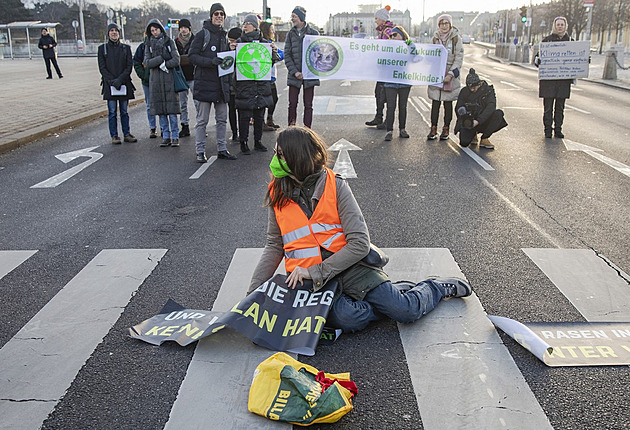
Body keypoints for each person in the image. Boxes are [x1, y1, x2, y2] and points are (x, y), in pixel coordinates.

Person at [247, 127, 473, 333]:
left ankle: (437, 288)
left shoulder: (336, 185)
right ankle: (390, 294)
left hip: (349, 265)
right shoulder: (277, 192)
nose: (274, 160)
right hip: (306, 276)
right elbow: (274, 246)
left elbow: (359, 243)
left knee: (405, 311)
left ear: (297, 159)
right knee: (349, 320)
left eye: (280, 155)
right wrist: (252, 296)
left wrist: (317, 271)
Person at [189, 3, 237, 162]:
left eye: (222, 14)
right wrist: (210, 62)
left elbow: (227, 62)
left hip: (221, 85)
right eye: (216, 14)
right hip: (204, 84)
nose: (219, 16)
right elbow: (192, 56)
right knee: (202, 120)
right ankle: (200, 151)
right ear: (211, 16)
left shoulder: (224, 35)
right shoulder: (202, 35)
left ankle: (222, 148)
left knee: (222, 119)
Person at [234, 14, 278, 155]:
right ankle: (244, 142)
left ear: (254, 26)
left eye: (248, 23)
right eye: (244, 23)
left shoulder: (264, 43)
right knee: (244, 115)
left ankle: (258, 141)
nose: (245, 25)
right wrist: (231, 51)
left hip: (260, 85)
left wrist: (273, 53)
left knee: (259, 114)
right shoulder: (239, 43)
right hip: (245, 85)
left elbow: (269, 63)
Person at [98, 23, 137, 145]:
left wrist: (120, 79)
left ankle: (127, 133)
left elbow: (129, 66)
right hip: (110, 85)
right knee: (112, 112)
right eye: (111, 31)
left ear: (119, 33)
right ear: (108, 33)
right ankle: (114, 135)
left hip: (123, 84)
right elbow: (102, 68)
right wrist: (112, 81)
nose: (114, 33)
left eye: (116, 31)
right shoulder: (102, 49)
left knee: (124, 111)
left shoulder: (126, 48)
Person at [144, 19, 181, 147]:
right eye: (152, 31)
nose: (154, 32)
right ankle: (166, 136)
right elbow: (147, 62)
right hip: (155, 81)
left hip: (168, 79)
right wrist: (161, 59)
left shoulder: (169, 42)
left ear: (160, 29)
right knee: (161, 111)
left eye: (156, 29)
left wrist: (166, 64)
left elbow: (176, 59)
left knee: (171, 111)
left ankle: (175, 136)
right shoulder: (148, 44)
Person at [534, 17, 573, 139]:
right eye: (558, 24)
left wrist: (583, 61)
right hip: (548, 81)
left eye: (562, 24)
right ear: (554, 26)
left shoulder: (571, 42)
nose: (560, 27)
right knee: (548, 108)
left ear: (565, 26)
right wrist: (538, 60)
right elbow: (537, 59)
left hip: (563, 81)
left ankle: (558, 129)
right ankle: (547, 130)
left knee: (560, 108)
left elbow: (577, 56)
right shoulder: (547, 41)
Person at [426, 14, 463, 141]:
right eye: (442, 23)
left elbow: (459, 58)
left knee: (448, 104)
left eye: (446, 23)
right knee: (435, 103)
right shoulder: (434, 38)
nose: (444, 26)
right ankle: (433, 128)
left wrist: (451, 74)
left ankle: (446, 128)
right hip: (437, 74)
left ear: (450, 25)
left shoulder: (456, 38)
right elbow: (429, 55)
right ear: (438, 25)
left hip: (449, 75)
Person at [284, 6, 320, 128]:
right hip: (294, 75)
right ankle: (291, 129)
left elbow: (319, 54)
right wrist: (295, 72)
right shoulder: (290, 34)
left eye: (294, 16)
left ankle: (307, 130)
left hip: (310, 75)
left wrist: (310, 70)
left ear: (301, 18)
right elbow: (287, 55)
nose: (292, 19)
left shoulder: (314, 33)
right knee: (292, 104)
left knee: (308, 105)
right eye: (292, 16)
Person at [454, 68, 507, 149]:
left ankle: (485, 138)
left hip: (483, 119)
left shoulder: (488, 91)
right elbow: (458, 107)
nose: (472, 90)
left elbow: (491, 107)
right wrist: (463, 114)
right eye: (470, 88)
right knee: (464, 143)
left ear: (479, 84)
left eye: (474, 88)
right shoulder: (464, 91)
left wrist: (478, 121)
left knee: (498, 114)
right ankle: (473, 135)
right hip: (470, 121)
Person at [365, 6, 394, 129]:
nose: (375, 20)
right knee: (379, 93)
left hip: (387, 69)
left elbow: (389, 48)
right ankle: (379, 117)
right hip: (383, 68)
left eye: (377, 18)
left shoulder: (388, 31)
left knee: (385, 94)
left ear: (382, 19)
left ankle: (386, 120)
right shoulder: (382, 31)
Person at [383, 26, 413, 141]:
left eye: (395, 35)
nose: (393, 37)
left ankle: (402, 129)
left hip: (404, 81)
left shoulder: (409, 45)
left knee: (403, 106)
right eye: (391, 35)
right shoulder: (389, 47)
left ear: (402, 35)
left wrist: (409, 42)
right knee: (391, 107)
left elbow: (416, 57)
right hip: (390, 81)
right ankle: (389, 130)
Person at [133, 31, 157, 139]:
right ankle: (152, 128)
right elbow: (136, 62)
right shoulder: (142, 47)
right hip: (146, 81)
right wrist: (143, 75)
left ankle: (164, 128)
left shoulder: (160, 44)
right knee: (149, 105)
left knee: (160, 104)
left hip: (159, 80)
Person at [260, 21, 283, 131]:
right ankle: (262, 122)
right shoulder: (263, 44)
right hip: (264, 76)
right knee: (266, 100)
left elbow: (282, 54)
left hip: (271, 77)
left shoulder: (271, 44)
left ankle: (269, 119)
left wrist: (276, 53)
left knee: (274, 99)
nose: (273, 32)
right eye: (272, 30)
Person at [175, 18, 196, 138]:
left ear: (189, 29)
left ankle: (201, 125)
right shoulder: (175, 42)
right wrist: (186, 59)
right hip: (181, 77)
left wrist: (183, 59)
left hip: (193, 76)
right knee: (182, 103)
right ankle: (184, 125)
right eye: (181, 28)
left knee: (198, 103)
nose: (183, 30)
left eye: (185, 28)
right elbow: (175, 59)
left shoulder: (195, 40)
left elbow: (194, 57)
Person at [227, 27, 242, 142]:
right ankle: (234, 132)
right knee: (231, 110)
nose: (232, 43)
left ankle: (241, 132)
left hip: (241, 85)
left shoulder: (244, 49)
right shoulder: (227, 50)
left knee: (242, 111)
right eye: (230, 41)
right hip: (231, 85)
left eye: (233, 40)